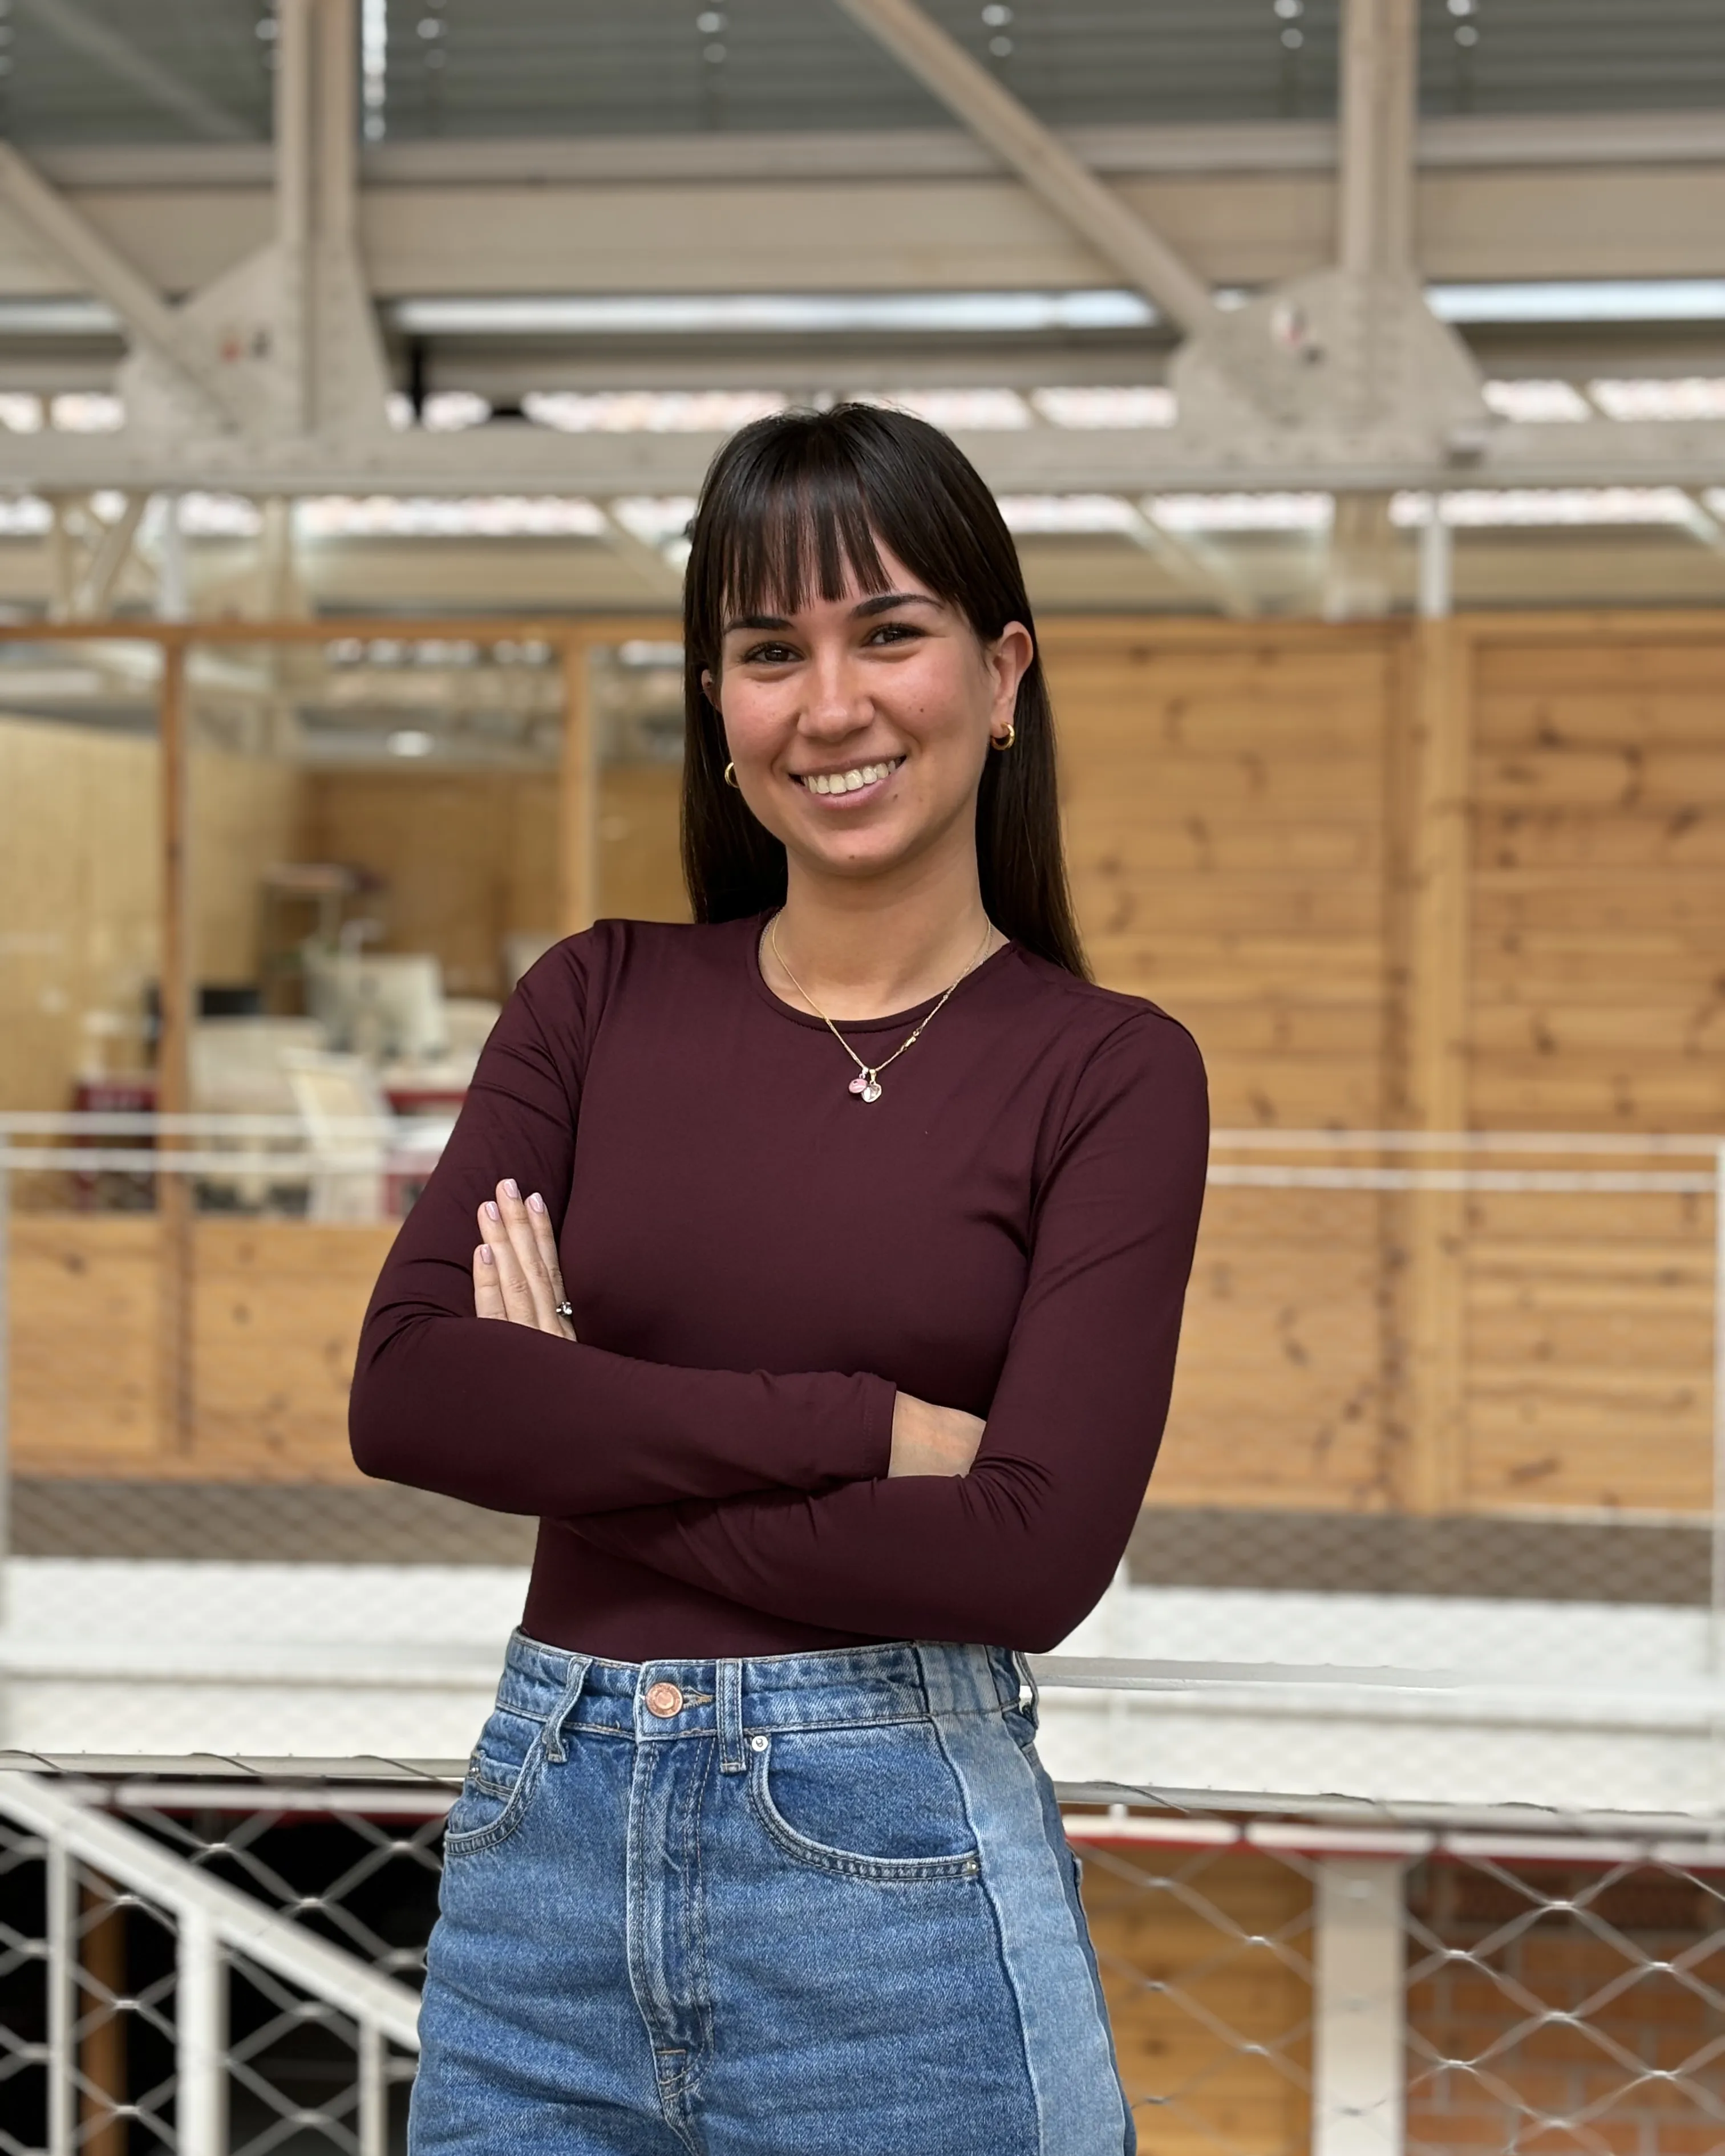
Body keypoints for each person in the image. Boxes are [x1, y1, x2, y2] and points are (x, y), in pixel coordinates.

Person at [349, 402, 1209, 2156]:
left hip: (895, 1880)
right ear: (718, 710)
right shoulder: (593, 1001)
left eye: (889, 631)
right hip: (542, 1887)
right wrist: (863, 1427)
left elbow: (1033, 1554)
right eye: (769, 651)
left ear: (1002, 671)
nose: (832, 704)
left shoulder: (1109, 1071)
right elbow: (412, 1391)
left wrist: (576, 1425)